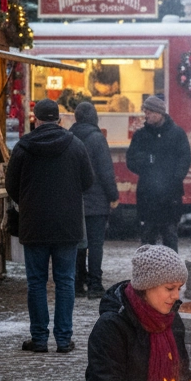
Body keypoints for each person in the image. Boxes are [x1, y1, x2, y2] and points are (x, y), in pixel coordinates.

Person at [77, 245, 191, 381]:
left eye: (179, 289)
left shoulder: (172, 321)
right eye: (170, 289)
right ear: (147, 287)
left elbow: (183, 377)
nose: (176, 296)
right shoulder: (111, 326)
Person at [6, 97, 94, 354]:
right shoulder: (75, 145)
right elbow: (88, 181)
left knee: (36, 282)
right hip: (67, 225)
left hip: (34, 224)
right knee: (65, 281)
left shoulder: (23, 146)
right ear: (59, 119)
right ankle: (64, 339)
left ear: (35, 118)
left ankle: (40, 338)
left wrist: (29, 201)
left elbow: (11, 185)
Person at [126, 95, 191, 251]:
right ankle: (148, 273)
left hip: (170, 196)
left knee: (170, 238)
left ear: (159, 113)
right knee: (147, 240)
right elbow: (131, 160)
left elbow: (185, 159)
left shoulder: (177, 134)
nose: (146, 115)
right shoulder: (140, 135)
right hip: (148, 196)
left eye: (149, 112)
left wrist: (175, 179)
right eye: (145, 112)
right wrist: (144, 162)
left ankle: (172, 273)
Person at [69, 101, 119, 299]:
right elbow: (106, 172)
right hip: (97, 201)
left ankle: (77, 284)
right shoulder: (98, 139)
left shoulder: (69, 138)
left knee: (78, 244)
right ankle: (95, 284)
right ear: (94, 117)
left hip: (74, 201)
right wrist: (113, 196)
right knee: (96, 245)